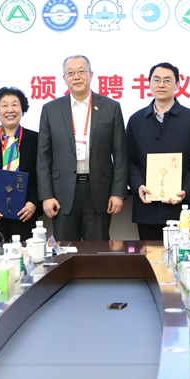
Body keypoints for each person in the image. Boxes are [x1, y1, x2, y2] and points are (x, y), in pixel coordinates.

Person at [36, 55, 128, 241]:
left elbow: (120, 154)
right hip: (62, 194)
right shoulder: (50, 109)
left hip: (99, 192)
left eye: (81, 71)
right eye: (70, 73)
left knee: (98, 250)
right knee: (65, 251)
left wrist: (118, 193)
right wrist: (46, 196)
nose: (76, 77)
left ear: (91, 75)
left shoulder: (111, 107)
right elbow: (43, 157)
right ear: (64, 78)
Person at [126, 62, 190, 240]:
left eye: (167, 80)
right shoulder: (136, 120)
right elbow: (129, 161)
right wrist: (138, 185)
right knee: (150, 256)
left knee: (182, 255)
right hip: (147, 208)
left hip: (181, 209)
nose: (161, 84)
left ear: (178, 85)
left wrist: (186, 190)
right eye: (156, 80)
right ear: (149, 84)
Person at [0, 87, 42, 242]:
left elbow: (42, 175)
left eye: (15, 104)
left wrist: (33, 203)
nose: (10, 110)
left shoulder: (36, 139)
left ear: (22, 109)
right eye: (4, 105)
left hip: (25, 212)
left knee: (26, 254)